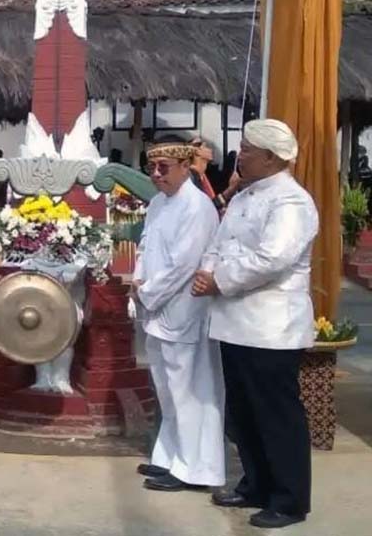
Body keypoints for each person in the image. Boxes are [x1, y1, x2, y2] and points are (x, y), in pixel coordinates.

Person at [193, 119, 318, 529]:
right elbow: (219, 242)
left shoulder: (290, 202)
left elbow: (272, 259)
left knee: (275, 414)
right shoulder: (247, 196)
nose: (239, 155)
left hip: (270, 328)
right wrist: (206, 272)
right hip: (234, 322)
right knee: (242, 413)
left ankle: (289, 499)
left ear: (270, 157)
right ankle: (256, 483)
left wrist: (220, 280)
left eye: (247, 149)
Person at [132, 135, 225, 493]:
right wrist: (139, 279)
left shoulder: (197, 207)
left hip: (184, 308)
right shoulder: (157, 203)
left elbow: (184, 264)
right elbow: (146, 246)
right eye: (151, 167)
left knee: (189, 391)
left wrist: (148, 292)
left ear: (186, 167)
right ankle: (168, 458)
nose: (156, 174)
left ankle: (195, 469)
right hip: (156, 307)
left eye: (163, 168)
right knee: (167, 389)